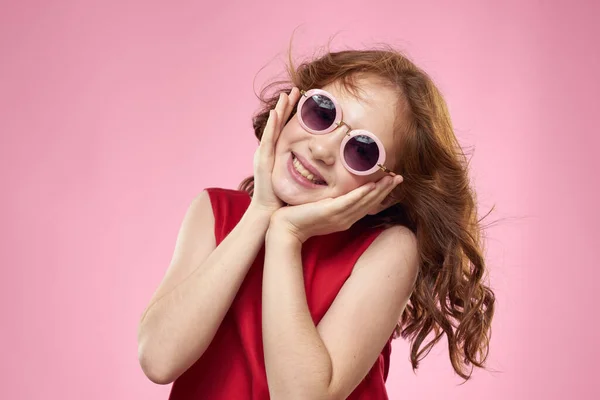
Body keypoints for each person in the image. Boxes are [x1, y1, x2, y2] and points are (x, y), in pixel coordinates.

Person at [137, 44, 496, 399]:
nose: (322, 151)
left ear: (385, 193)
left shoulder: (389, 250)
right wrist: (261, 212)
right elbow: (159, 360)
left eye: (361, 150)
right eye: (322, 114)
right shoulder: (214, 212)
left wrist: (286, 236)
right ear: (292, 107)